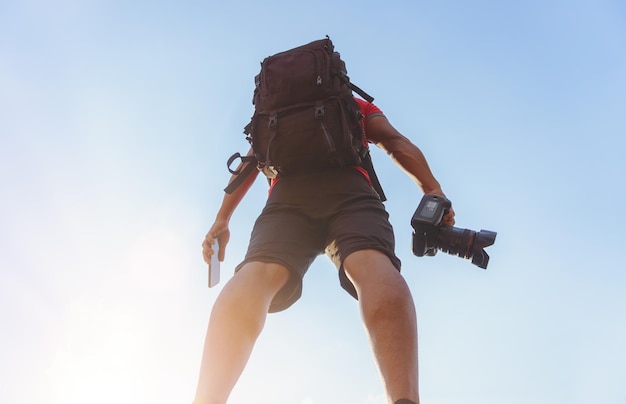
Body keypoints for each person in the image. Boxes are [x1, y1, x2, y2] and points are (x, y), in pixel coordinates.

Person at [194, 97, 456, 404]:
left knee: (259, 273)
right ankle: (404, 399)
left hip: (287, 194)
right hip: (350, 186)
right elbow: (395, 142)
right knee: (370, 263)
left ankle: (207, 399)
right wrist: (432, 189)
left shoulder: (278, 112)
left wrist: (222, 218)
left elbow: (250, 163)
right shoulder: (348, 101)